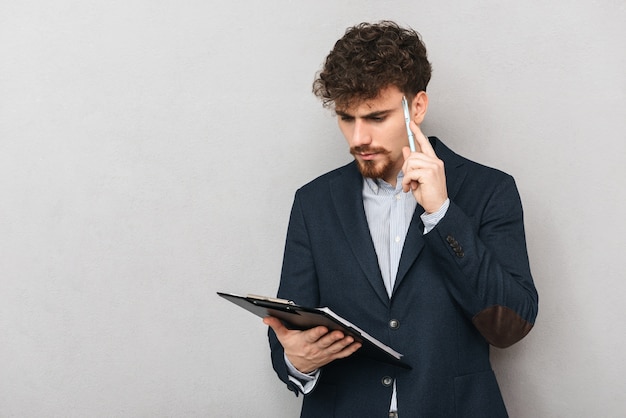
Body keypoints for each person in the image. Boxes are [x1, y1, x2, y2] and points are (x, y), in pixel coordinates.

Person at [263, 20, 538, 418]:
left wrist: (442, 214)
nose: (358, 138)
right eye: (346, 117)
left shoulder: (489, 190)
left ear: (418, 107)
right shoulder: (313, 203)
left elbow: (509, 325)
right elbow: (289, 332)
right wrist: (296, 362)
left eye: (376, 118)